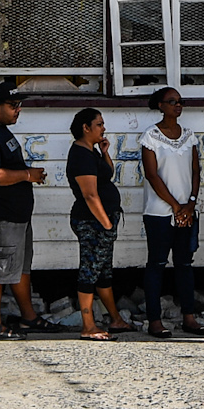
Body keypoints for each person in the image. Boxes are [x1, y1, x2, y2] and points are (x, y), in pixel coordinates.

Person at [0, 78, 50, 339]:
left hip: (15, 217)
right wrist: (27, 175)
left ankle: (28, 318)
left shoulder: (2, 130)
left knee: (20, 269)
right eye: (13, 105)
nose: (18, 109)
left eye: (19, 105)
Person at [139, 87, 204, 338]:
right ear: (160, 105)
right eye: (172, 101)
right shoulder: (151, 137)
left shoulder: (188, 135)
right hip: (159, 213)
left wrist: (190, 204)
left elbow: (195, 172)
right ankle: (154, 321)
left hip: (187, 212)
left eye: (180, 102)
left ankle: (188, 317)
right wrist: (175, 206)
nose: (177, 106)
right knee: (157, 264)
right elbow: (152, 175)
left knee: (185, 264)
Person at [67, 108, 133, 340]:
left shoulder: (92, 151)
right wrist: (106, 224)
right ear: (86, 128)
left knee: (103, 271)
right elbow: (90, 195)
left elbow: (108, 174)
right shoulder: (80, 155)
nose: (104, 128)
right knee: (89, 271)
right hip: (91, 222)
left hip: (103, 221)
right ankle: (88, 326)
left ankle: (115, 320)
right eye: (99, 124)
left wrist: (105, 152)